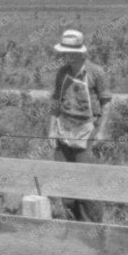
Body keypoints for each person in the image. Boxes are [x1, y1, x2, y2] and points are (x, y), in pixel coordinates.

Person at [47, 28, 112, 222]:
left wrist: (101, 131)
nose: (66, 56)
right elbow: (56, 102)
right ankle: (72, 225)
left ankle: (92, 228)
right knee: (65, 182)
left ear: (80, 51)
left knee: (86, 182)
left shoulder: (96, 72)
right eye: (64, 52)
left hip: (86, 131)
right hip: (64, 130)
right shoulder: (62, 72)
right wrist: (51, 131)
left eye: (69, 52)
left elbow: (106, 103)